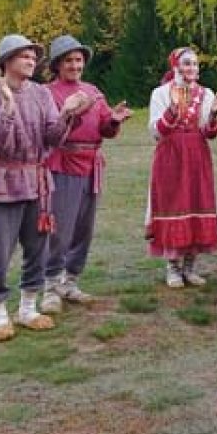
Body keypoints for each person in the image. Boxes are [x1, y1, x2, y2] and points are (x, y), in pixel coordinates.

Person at [0, 35, 83, 341]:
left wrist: (67, 114)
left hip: (37, 182)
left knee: (38, 247)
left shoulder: (40, 93)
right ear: (6, 62)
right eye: (24, 56)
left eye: (34, 57)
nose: (32, 61)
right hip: (1, 183)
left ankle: (27, 308)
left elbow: (52, 137)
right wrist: (8, 107)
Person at [40, 36, 132, 314]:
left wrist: (113, 121)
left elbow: (104, 126)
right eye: (68, 60)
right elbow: (51, 131)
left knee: (84, 228)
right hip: (63, 164)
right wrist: (72, 113)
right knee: (60, 227)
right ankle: (51, 286)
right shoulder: (47, 93)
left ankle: (71, 281)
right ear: (57, 65)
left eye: (78, 60)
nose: (75, 65)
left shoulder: (93, 91)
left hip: (92, 165)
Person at [147, 47, 217, 288]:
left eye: (195, 64)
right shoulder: (161, 93)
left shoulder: (206, 93)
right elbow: (155, 130)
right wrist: (172, 111)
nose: (192, 68)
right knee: (174, 204)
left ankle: (191, 268)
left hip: (197, 155)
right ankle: (173, 267)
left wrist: (213, 116)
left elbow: (209, 133)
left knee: (196, 203)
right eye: (187, 63)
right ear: (176, 67)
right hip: (170, 154)